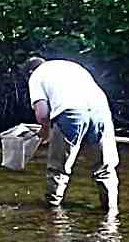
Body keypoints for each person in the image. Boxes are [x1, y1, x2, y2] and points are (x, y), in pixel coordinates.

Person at [23, 57, 119, 211]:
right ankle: (111, 212)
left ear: (29, 71)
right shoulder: (70, 65)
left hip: (71, 113)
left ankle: (52, 211)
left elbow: (42, 113)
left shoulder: (36, 75)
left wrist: (45, 131)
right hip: (100, 110)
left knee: (58, 168)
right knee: (104, 168)